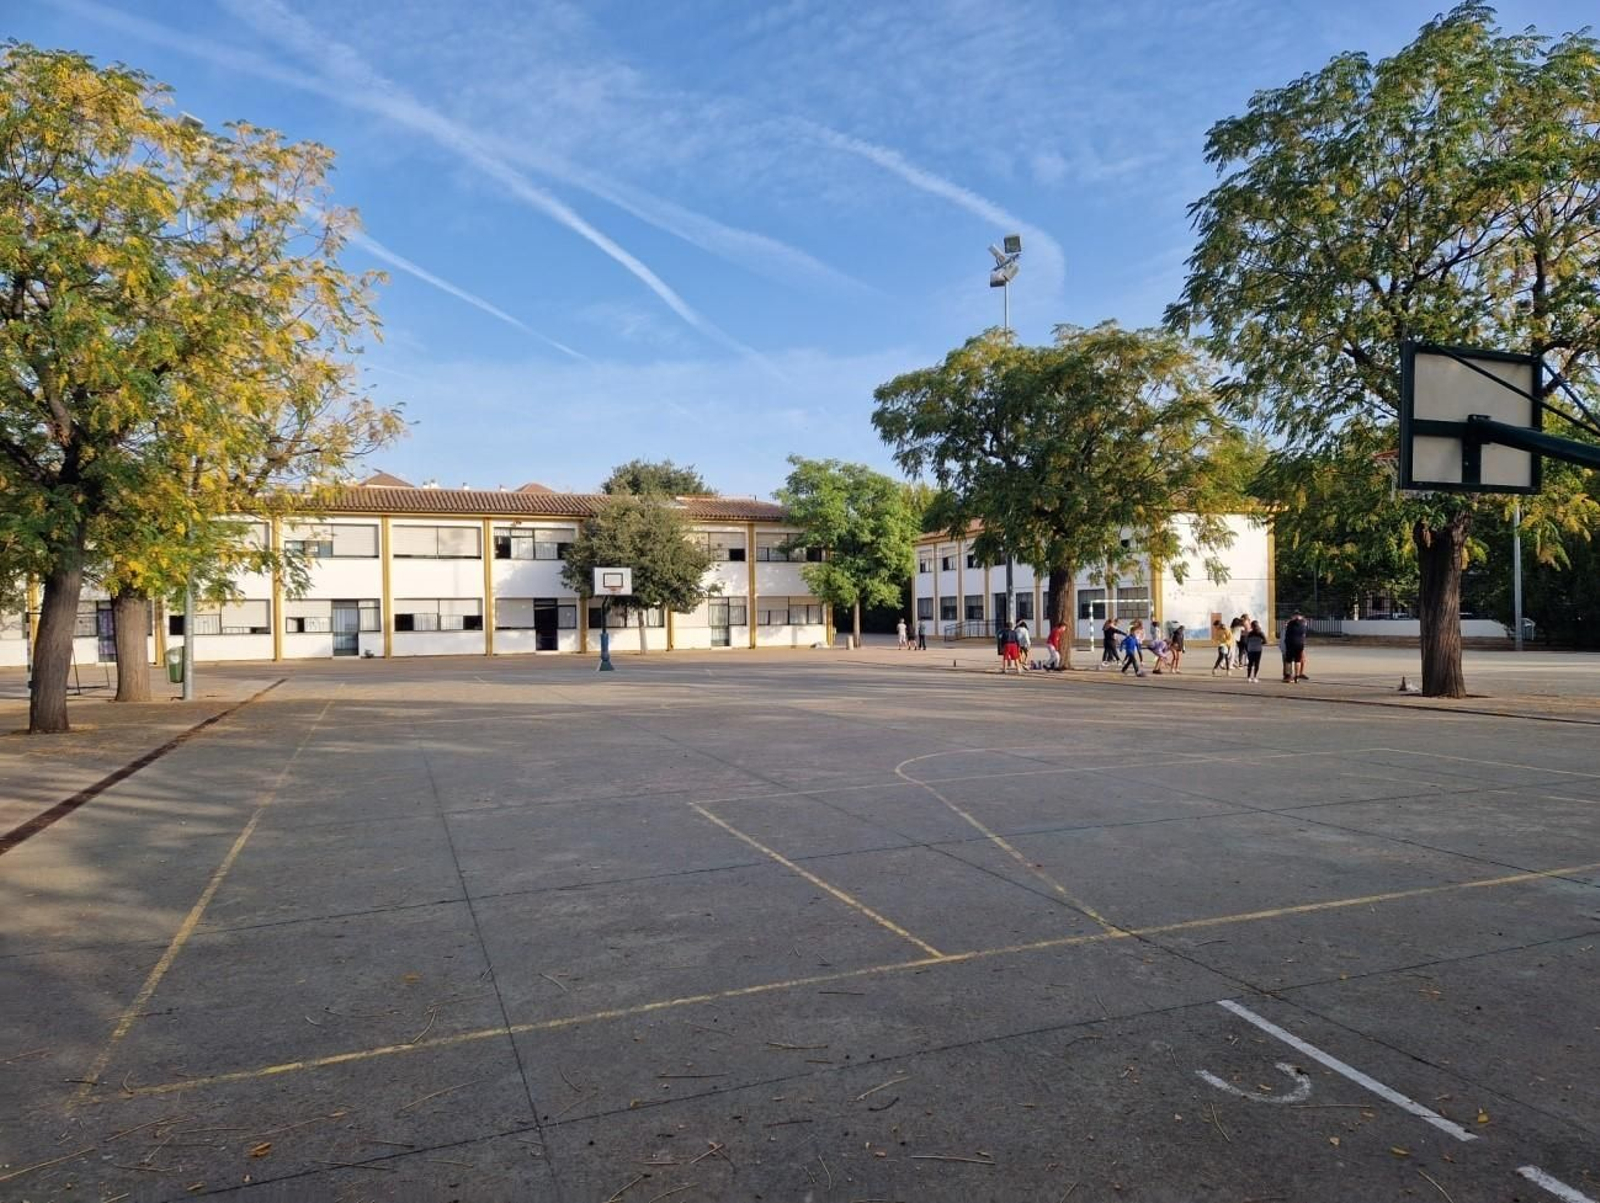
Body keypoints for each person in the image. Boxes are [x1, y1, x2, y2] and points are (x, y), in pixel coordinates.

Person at [1282, 612, 1308, 682]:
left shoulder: (1290, 624)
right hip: (1300, 644)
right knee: (1298, 660)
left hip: (1290, 644)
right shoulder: (1303, 625)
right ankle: (1297, 677)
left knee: (1288, 661)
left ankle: (1288, 676)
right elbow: (1304, 634)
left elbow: (1286, 625)